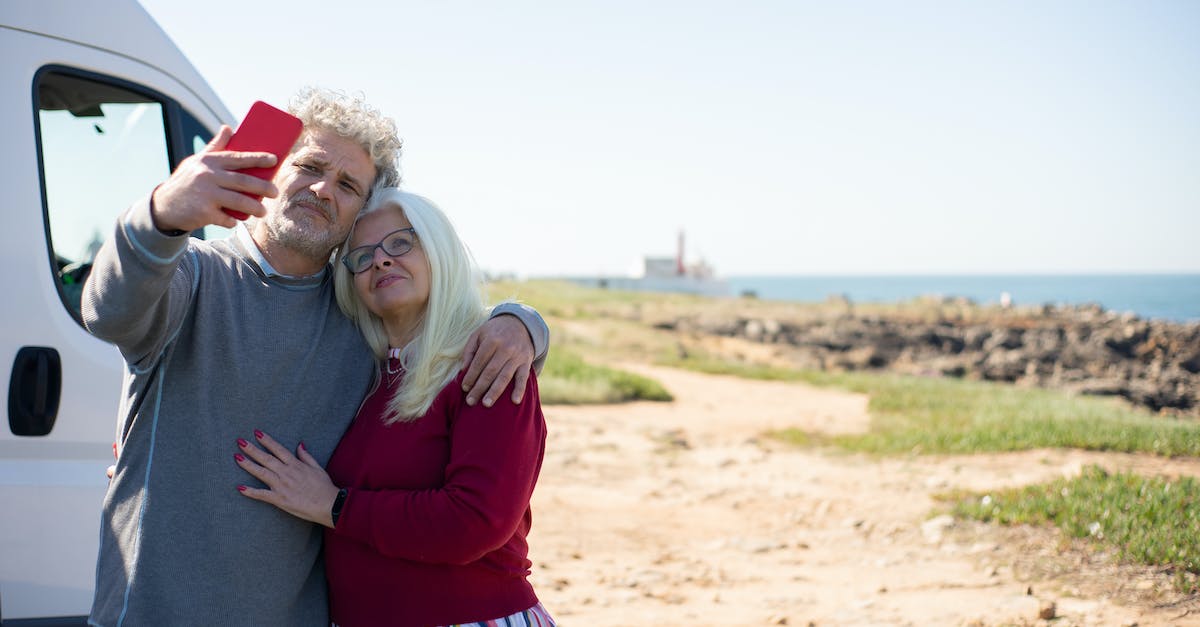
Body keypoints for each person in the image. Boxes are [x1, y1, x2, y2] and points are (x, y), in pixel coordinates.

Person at [81, 88, 549, 626]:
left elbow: (441, 323)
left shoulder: (361, 315)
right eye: (310, 166)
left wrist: (520, 322)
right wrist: (161, 214)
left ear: (358, 215)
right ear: (273, 171)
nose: (324, 188)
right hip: (155, 612)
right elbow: (109, 312)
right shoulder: (193, 276)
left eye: (348, 185)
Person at [233, 188, 555, 627]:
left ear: (438, 249)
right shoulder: (360, 374)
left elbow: (475, 522)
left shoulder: (486, 361)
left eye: (400, 243)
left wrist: (335, 506)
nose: (380, 260)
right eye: (361, 256)